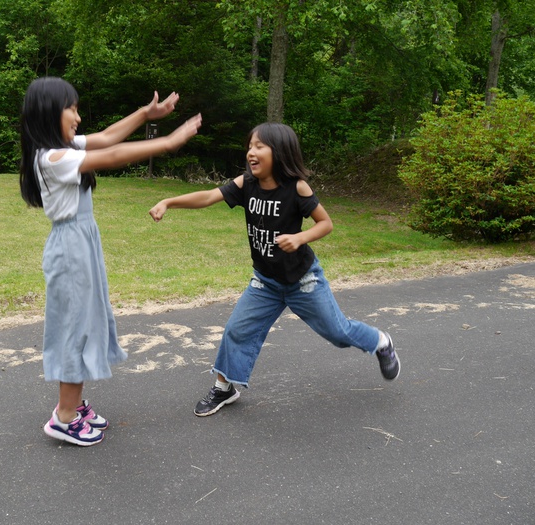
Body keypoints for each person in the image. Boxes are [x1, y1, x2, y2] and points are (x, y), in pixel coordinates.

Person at [149, 122, 400, 417]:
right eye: (250, 146)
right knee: (237, 330)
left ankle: (381, 342)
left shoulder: (296, 188)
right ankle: (224, 388)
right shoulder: (246, 183)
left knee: (337, 332)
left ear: (279, 152)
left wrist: (300, 237)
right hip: (266, 281)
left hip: (302, 280)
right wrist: (169, 201)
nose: (251, 152)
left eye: (259, 146)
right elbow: (207, 197)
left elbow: (326, 223)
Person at [20, 77, 201, 444]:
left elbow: (105, 138)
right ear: (49, 112)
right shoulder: (53, 158)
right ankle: (64, 417)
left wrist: (145, 114)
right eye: (71, 108)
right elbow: (112, 155)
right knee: (75, 329)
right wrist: (166, 142)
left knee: (85, 323)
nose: (78, 117)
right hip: (71, 248)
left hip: (81, 242)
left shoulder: (64, 147)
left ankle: (74, 403)